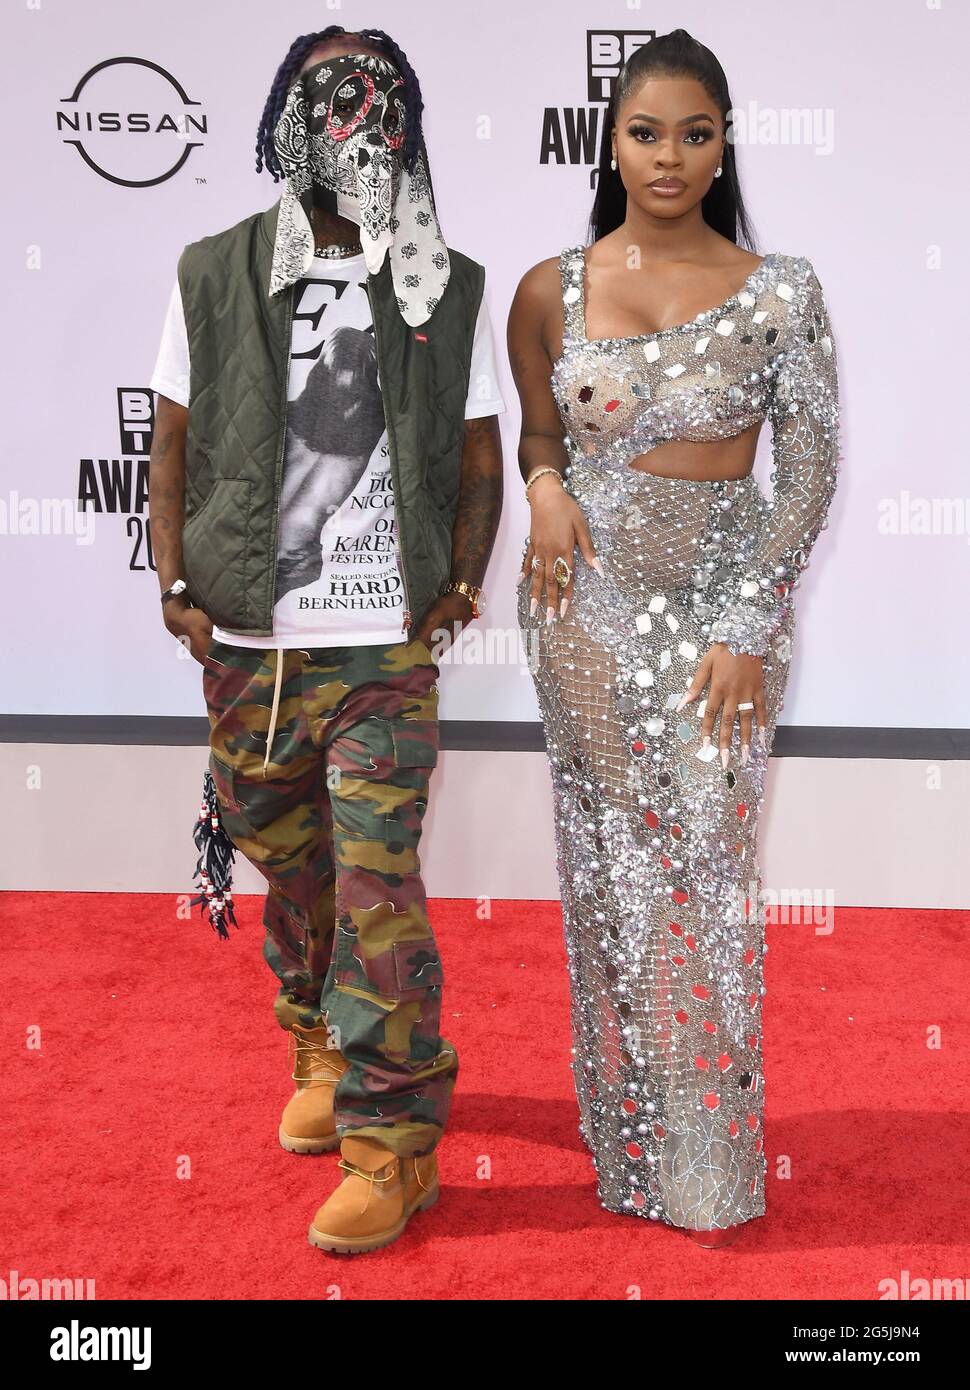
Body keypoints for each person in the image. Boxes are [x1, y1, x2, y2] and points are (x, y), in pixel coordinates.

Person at [147, 25, 504, 1255]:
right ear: (288, 116)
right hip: (253, 636)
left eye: (375, 94)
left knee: (375, 879)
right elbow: (175, 436)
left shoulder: (443, 282)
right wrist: (172, 574)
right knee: (287, 859)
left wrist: (460, 575)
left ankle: (393, 1141)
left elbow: (474, 450)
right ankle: (313, 1020)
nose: (352, 117)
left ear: (403, 117)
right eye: (326, 93)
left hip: (380, 654)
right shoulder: (212, 269)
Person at [507, 28, 840, 1248]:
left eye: (694, 132)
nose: (668, 156)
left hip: (718, 606)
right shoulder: (552, 286)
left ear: (723, 143)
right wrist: (545, 488)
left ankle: (707, 1160)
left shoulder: (782, 289)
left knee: (701, 865)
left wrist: (751, 618)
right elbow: (538, 434)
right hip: (584, 606)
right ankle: (633, 1148)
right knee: (610, 876)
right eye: (645, 131)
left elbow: (808, 472)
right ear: (609, 140)